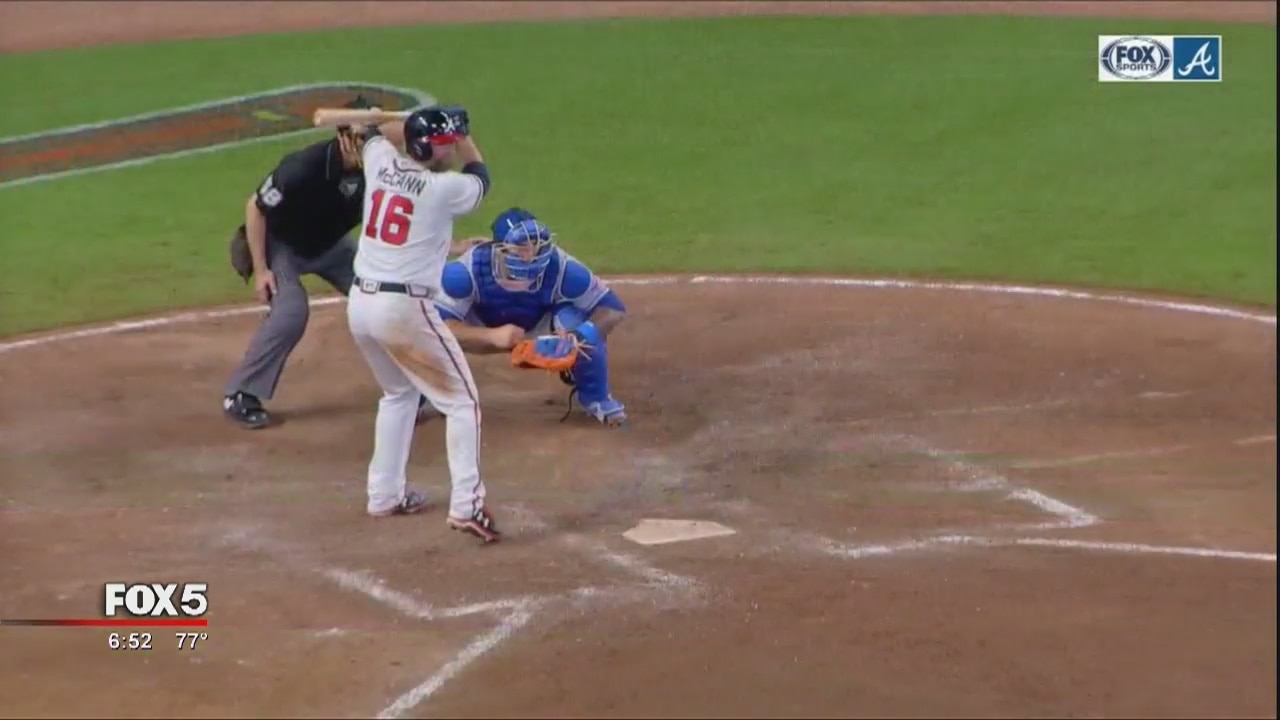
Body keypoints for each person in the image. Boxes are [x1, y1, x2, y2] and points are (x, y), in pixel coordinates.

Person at [314, 102, 502, 543]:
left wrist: (378, 120)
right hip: (403, 310)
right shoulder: (444, 189)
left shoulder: (380, 163)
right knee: (462, 403)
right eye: (445, 143)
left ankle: (384, 494)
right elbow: (481, 175)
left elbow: (372, 133)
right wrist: (463, 133)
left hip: (361, 304)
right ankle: (467, 505)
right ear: (430, 147)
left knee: (398, 393)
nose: (451, 148)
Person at [222, 96, 436, 429]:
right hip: (281, 245)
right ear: (342, 137)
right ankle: (241, 393)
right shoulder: (304, 166)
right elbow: (255, 207)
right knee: (291, 310)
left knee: (386, 300)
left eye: (373, 138)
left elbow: (411, 148)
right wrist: (262, 270)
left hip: (330, 246)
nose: (368, 145)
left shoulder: (383, 169)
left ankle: (412, 388)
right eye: (360, 138)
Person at [433, 208, 629, 427]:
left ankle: (596, 398)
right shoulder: (466, 271)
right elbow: (433, 326)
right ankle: (429, 394)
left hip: (540, 325)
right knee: (425, 336)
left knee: (577, 321)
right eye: (520, 247)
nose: (530, 255)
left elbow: (613, 310)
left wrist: (578, 337)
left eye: (535, 245)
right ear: (499, 249)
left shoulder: (561, 267)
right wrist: (491, 336)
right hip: (479, 325)